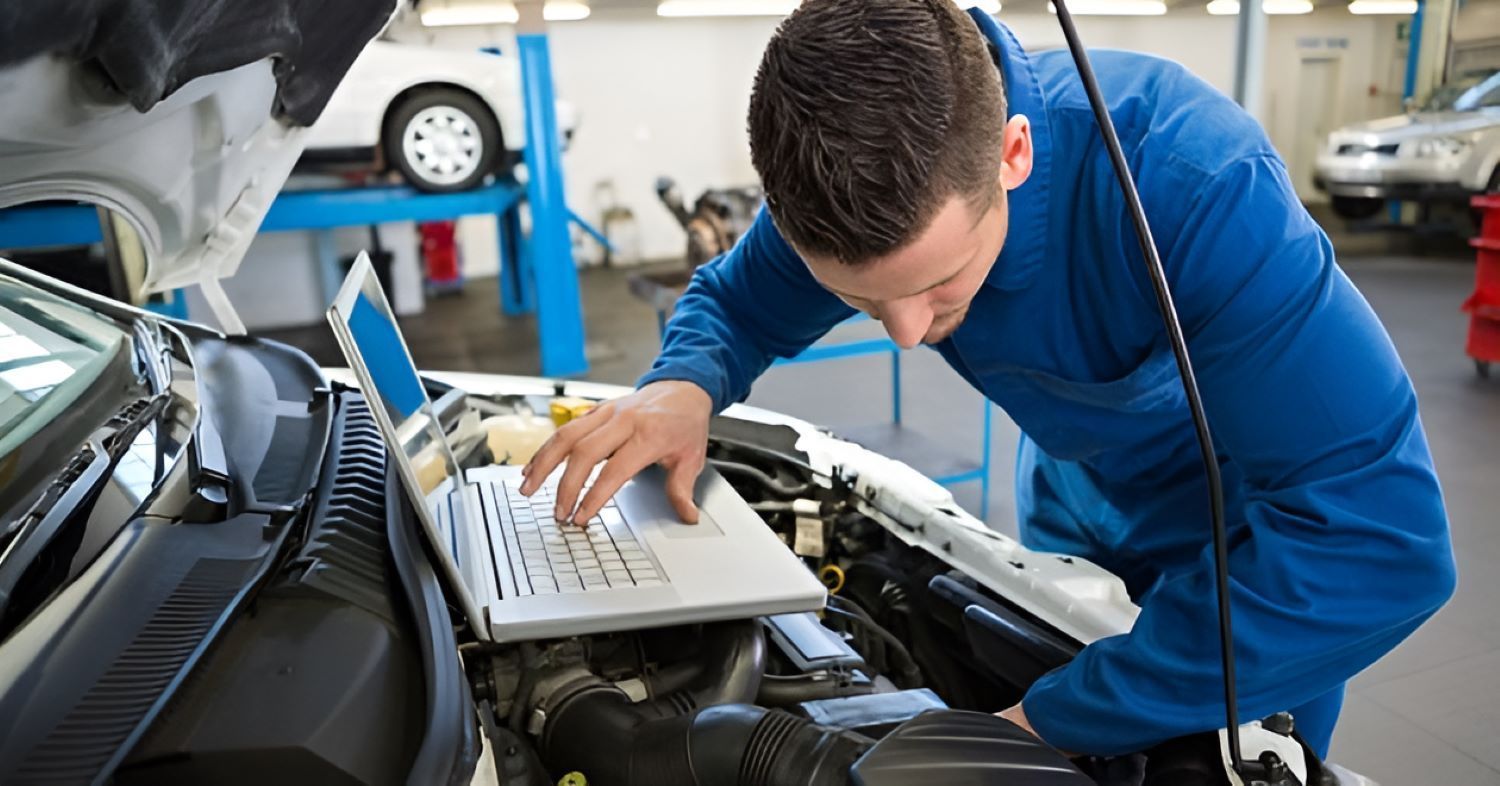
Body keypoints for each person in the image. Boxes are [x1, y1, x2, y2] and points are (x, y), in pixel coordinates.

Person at [520, 0, 1455, 760]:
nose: (905, 334)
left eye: (936, 285)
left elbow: (1377, 542)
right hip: (1070, 514)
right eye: (858, 298)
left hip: (1251, 567)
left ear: (1014, 155)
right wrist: (681, 386)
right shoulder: (853, 175)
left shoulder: (1193, 183)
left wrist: (1044, 726)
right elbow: (738, 303)